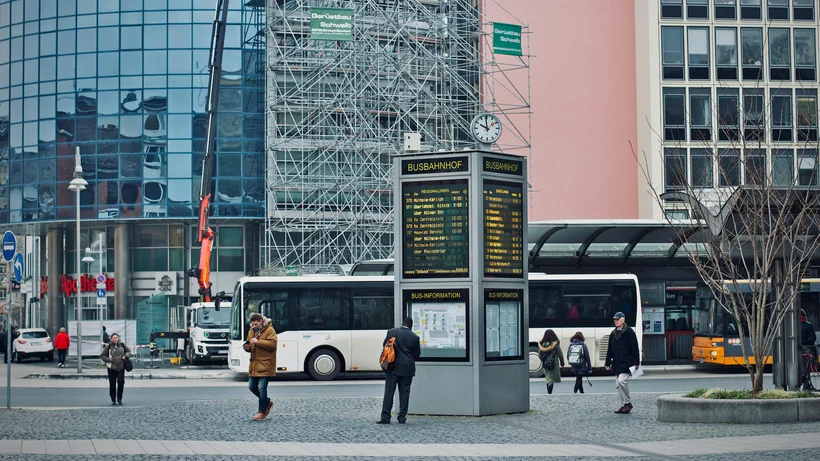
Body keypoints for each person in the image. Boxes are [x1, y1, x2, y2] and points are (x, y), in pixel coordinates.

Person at [378, 317, 421, 425]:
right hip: (407, 368)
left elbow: (385, 346)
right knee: (404, 392)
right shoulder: (415, 337)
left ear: (403, 323)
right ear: (411, 326)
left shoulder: (391, 332)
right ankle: (401, 417)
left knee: (389, 392)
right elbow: (417, 354)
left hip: (392, 367)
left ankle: (385, 417)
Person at [605, 312, 640, 414]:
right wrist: (607, 362)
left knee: (621, 381)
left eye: (617, 319)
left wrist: (636, 363)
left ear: (623, 320)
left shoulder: (629, 332)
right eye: (615, 320)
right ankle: (623, 404)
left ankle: (627, 403)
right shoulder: (613, 333)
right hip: (617, 363)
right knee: (618, 384)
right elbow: (610, 349)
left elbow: (635, 348)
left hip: (626, 363)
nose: (616, 321)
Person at [244, 313, 278, 421]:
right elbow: (250, 345)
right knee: (251, 386)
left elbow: (273, 345)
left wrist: (258, 342)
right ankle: (267, 402)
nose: (253, 326)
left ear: (261, 321)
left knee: (262, 388)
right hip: (254, 364)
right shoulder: (251, 331)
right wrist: (247, 347)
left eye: (256, 323)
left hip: (265, 364)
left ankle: (262, 412)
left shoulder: (270, 330)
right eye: (252, 323)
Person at [100, 333, 131, 405]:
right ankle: (113, 398)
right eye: (113, 338)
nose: (115, 339)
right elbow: (102, 355)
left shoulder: (122, 345)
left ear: (118, 338)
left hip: (121, 367)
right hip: (111, 368)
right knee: (112, 384)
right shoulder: (109, 346)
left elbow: (129, 352)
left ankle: (119, 398)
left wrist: (125, 356)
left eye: (116, 337)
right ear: (111, 339)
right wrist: (108, 360)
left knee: (121, 382)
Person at [537, 329, 564, 394]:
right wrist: (562, 363)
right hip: (553, 363)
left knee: (548, 377)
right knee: (551, 379)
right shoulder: (555, 344)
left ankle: (549, 392)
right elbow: (560, 354)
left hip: (545, 362)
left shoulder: (542, 344)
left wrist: (543, 360)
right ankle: (549, 392)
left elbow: (539, 354)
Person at [800, 309, 817, 391]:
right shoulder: (808, 325)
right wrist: (807, 343)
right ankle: (806, 385)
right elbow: (813, 338)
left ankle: (796, 384)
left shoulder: (792, 325)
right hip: (806, 349)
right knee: (806, 368)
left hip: (794, 350)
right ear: (805, 315)